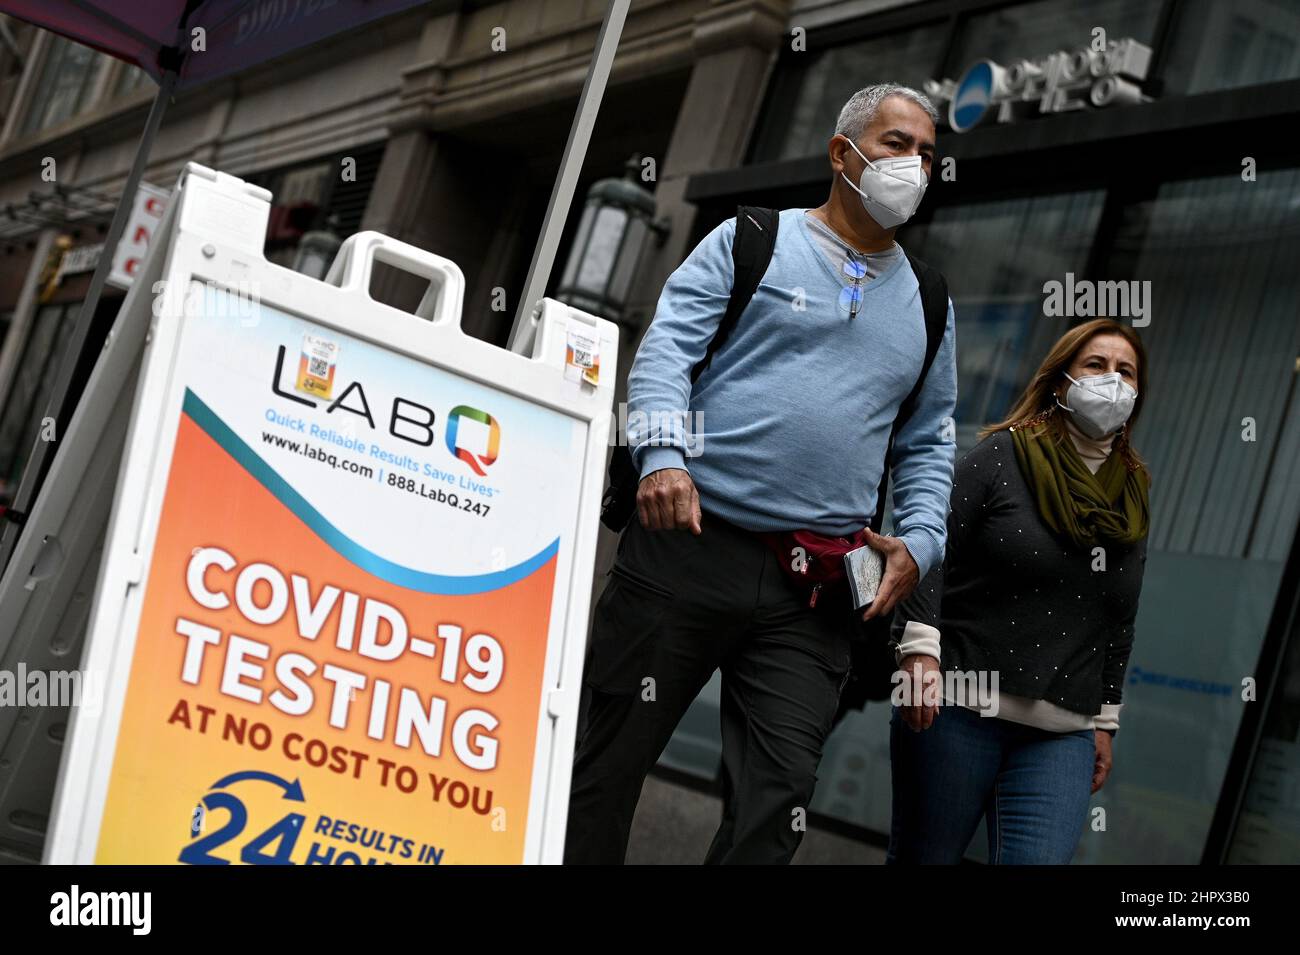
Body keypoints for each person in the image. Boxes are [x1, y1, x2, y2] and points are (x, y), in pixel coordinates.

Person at [564, 83, 958, 864]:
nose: (914, 166)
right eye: (896, 145)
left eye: (928, 154)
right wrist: (664, 457)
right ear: (842, 154)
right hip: (689, 542)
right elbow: (666, 355)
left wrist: (920, 538)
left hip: (813, 588)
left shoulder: (930, 303)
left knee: (776, 803)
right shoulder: (751, 241)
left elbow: (928, 441)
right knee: (603, 762)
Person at [888, 318, 1151, 864]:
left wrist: (1105, 721)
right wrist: (917, 650)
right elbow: (928, 548)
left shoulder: (1131, 492)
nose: (1112, 381)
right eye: (1096, 366)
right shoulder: (1001, 457)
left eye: (1126, 372)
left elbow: (1117, 617)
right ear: (1061, 382)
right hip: (957, 710)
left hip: (1062, 733)